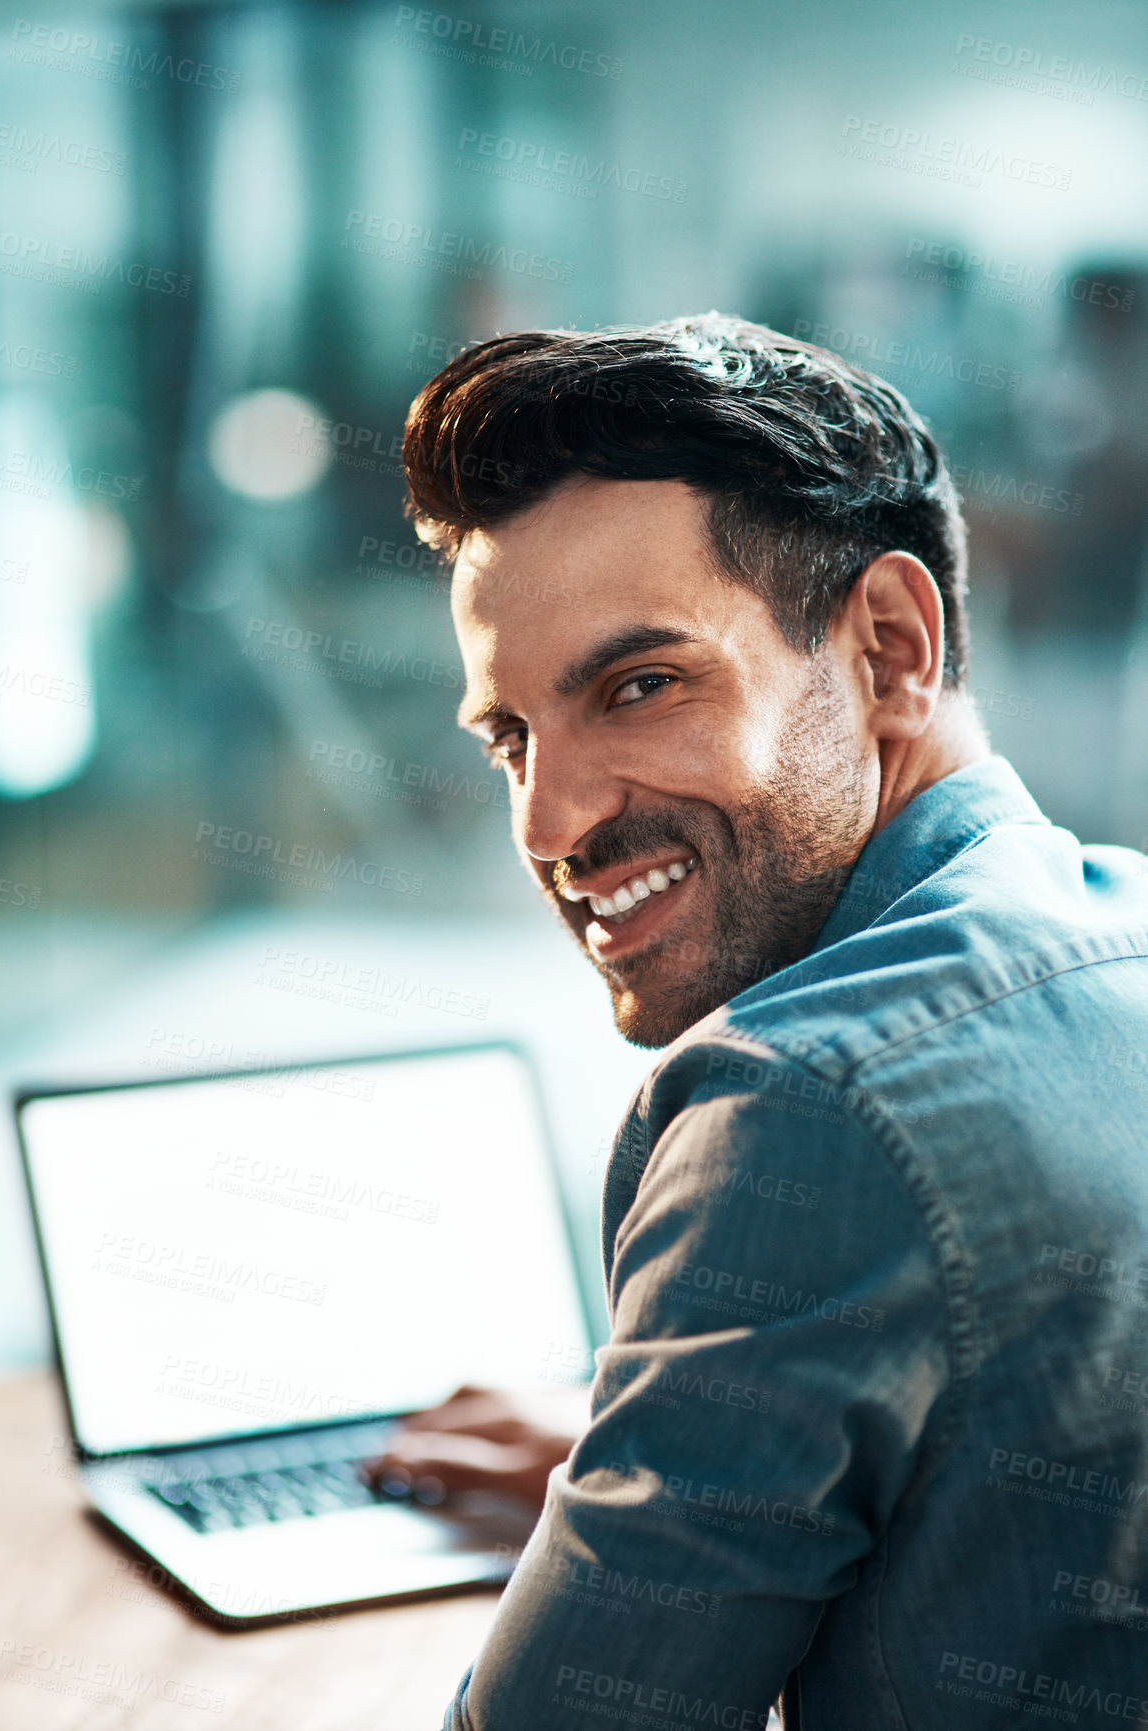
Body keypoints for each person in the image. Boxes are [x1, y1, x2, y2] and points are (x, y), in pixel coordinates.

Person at [365, 316, 1148, 1728]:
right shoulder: (1124, 930)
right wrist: (664, 1468)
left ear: (891, 649)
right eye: (512, 738)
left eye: (642, 686)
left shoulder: (808, 1104)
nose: (551, 819)